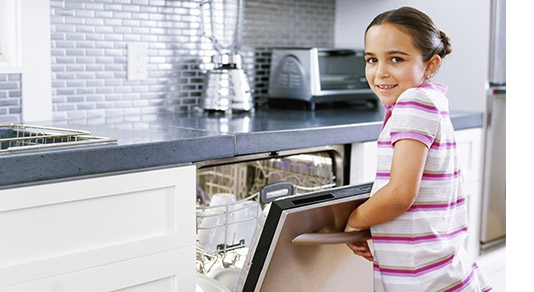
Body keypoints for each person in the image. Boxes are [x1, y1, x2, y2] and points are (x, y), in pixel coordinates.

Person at [344, 7, 492, 292]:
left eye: (396, 59)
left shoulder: (414, 102)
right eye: (371, 59)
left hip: (425, 281)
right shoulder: (429, 100)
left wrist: (354, 221)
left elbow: (400, 194)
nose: (380, 71)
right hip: (440, 273)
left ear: (430, 65)